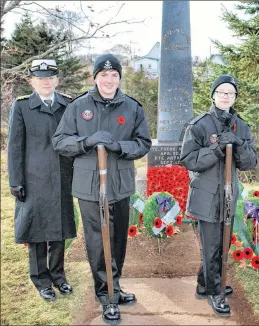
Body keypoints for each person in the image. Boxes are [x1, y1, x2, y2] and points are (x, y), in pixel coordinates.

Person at [52, 54, 152, 324]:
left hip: (119, 184)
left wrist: (120, 147)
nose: (109, 80)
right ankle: (105, 294)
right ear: (95, 77)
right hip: (89, 185)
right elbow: (60, 141)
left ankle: (115, 286)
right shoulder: (78, 107)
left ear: (119, 78)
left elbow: (143, 143)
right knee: (98, 240)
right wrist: (87, 141)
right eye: (104, 75)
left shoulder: (132, 108)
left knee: (118, 238)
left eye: (114, 75)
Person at [180, 74, 257, 317]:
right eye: (221, 91)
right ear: (213, 94)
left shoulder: (241, 126)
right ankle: (215, 290)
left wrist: (238, 145)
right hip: (206, 195)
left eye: (230, 93)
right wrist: (215, 150)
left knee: (222, 241)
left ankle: (206, 284)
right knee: (213, 244)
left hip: (228, 194)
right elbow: (189, 160)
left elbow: (250, 163)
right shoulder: (200, 125)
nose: (226, 96)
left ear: (235, 97)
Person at [7, 59, 76, 302]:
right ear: (31, 81)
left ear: (57, 80)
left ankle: (58, 276)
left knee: (59, 229)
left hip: (62, 178)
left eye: (50, 77)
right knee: (36, 231)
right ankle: (41, 279)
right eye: (40, 77)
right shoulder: (22, 107)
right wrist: (15, 181)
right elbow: (14, 146)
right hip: (34, 179)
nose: (46, 81)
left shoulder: (68, 105)